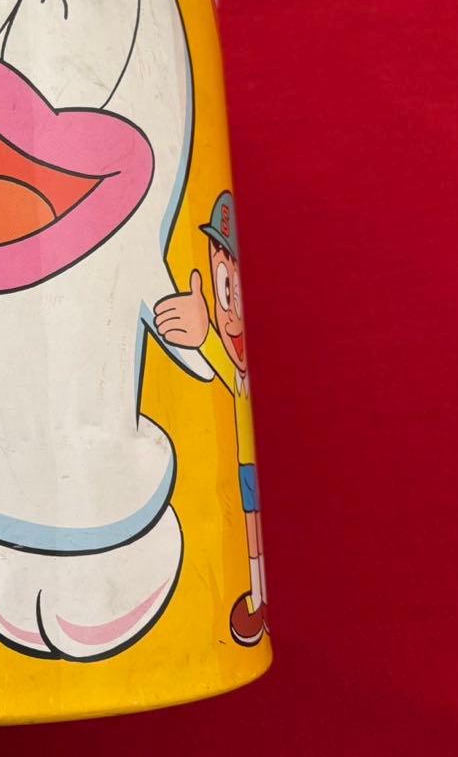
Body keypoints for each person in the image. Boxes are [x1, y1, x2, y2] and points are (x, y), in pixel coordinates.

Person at [154, 191, 267, 645]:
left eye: (233, 291)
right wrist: (202, 336)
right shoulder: (234, 369)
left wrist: (206, 337)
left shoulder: (240, 372)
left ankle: (255, 598)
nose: (231, 312)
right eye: (225, 292)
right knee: (250, 526)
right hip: (240, 465)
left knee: (251, 528)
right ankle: (255, 598)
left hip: (245, 464)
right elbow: (221, 360)